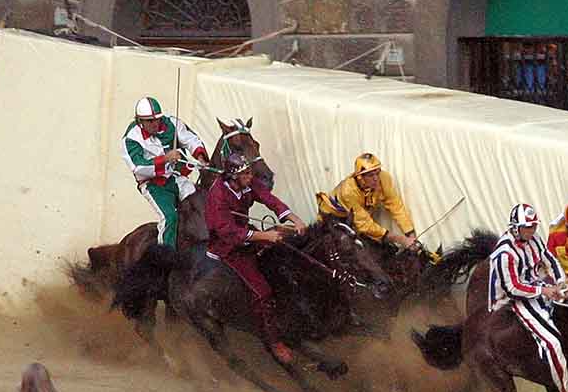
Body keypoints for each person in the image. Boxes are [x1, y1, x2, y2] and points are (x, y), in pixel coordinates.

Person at [488, 203, 568, 392]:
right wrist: (545, 291)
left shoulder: (534, 239)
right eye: (527, 227)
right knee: (552, 342)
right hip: (511, 300)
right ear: (515, 227)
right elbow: (513, 288)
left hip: (536, 285)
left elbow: (550, 260)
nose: (532, 231)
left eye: (534, 227)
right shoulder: (504, 254)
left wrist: (561, 283)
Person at [204, 152, 309, 364]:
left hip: (247, 233)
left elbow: (270, 200)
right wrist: (266, 235)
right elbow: (229, 232)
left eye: (250, 172)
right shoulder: (218, 195)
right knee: (262, 291)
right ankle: (273, 342)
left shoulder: (248, 183)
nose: (250, 177)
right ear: (233, 177)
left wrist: (294, 219)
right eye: (245, 173)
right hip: (227, 245)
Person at [121, 96, 210, 248]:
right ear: (140, 121)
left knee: (201, 199)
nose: (155, 124)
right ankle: (165, 256)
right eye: (150, 121)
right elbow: (139, 168)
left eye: (157, 119)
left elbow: (190, 139)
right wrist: (165, 159)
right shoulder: (131, 138)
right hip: (153, 184)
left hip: (175, 178)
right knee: (169, 217)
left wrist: (200, 157)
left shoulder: (171, 123)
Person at [316, 153, 418, 248]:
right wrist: (400, 239)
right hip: (332, 216)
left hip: (355, 217)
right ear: (360, 178)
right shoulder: (348, 191)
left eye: (377, 173)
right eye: (370, 175)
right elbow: (365, 224)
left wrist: (410, 234)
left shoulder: (384, 178)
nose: (376, 179)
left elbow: (396, 206)